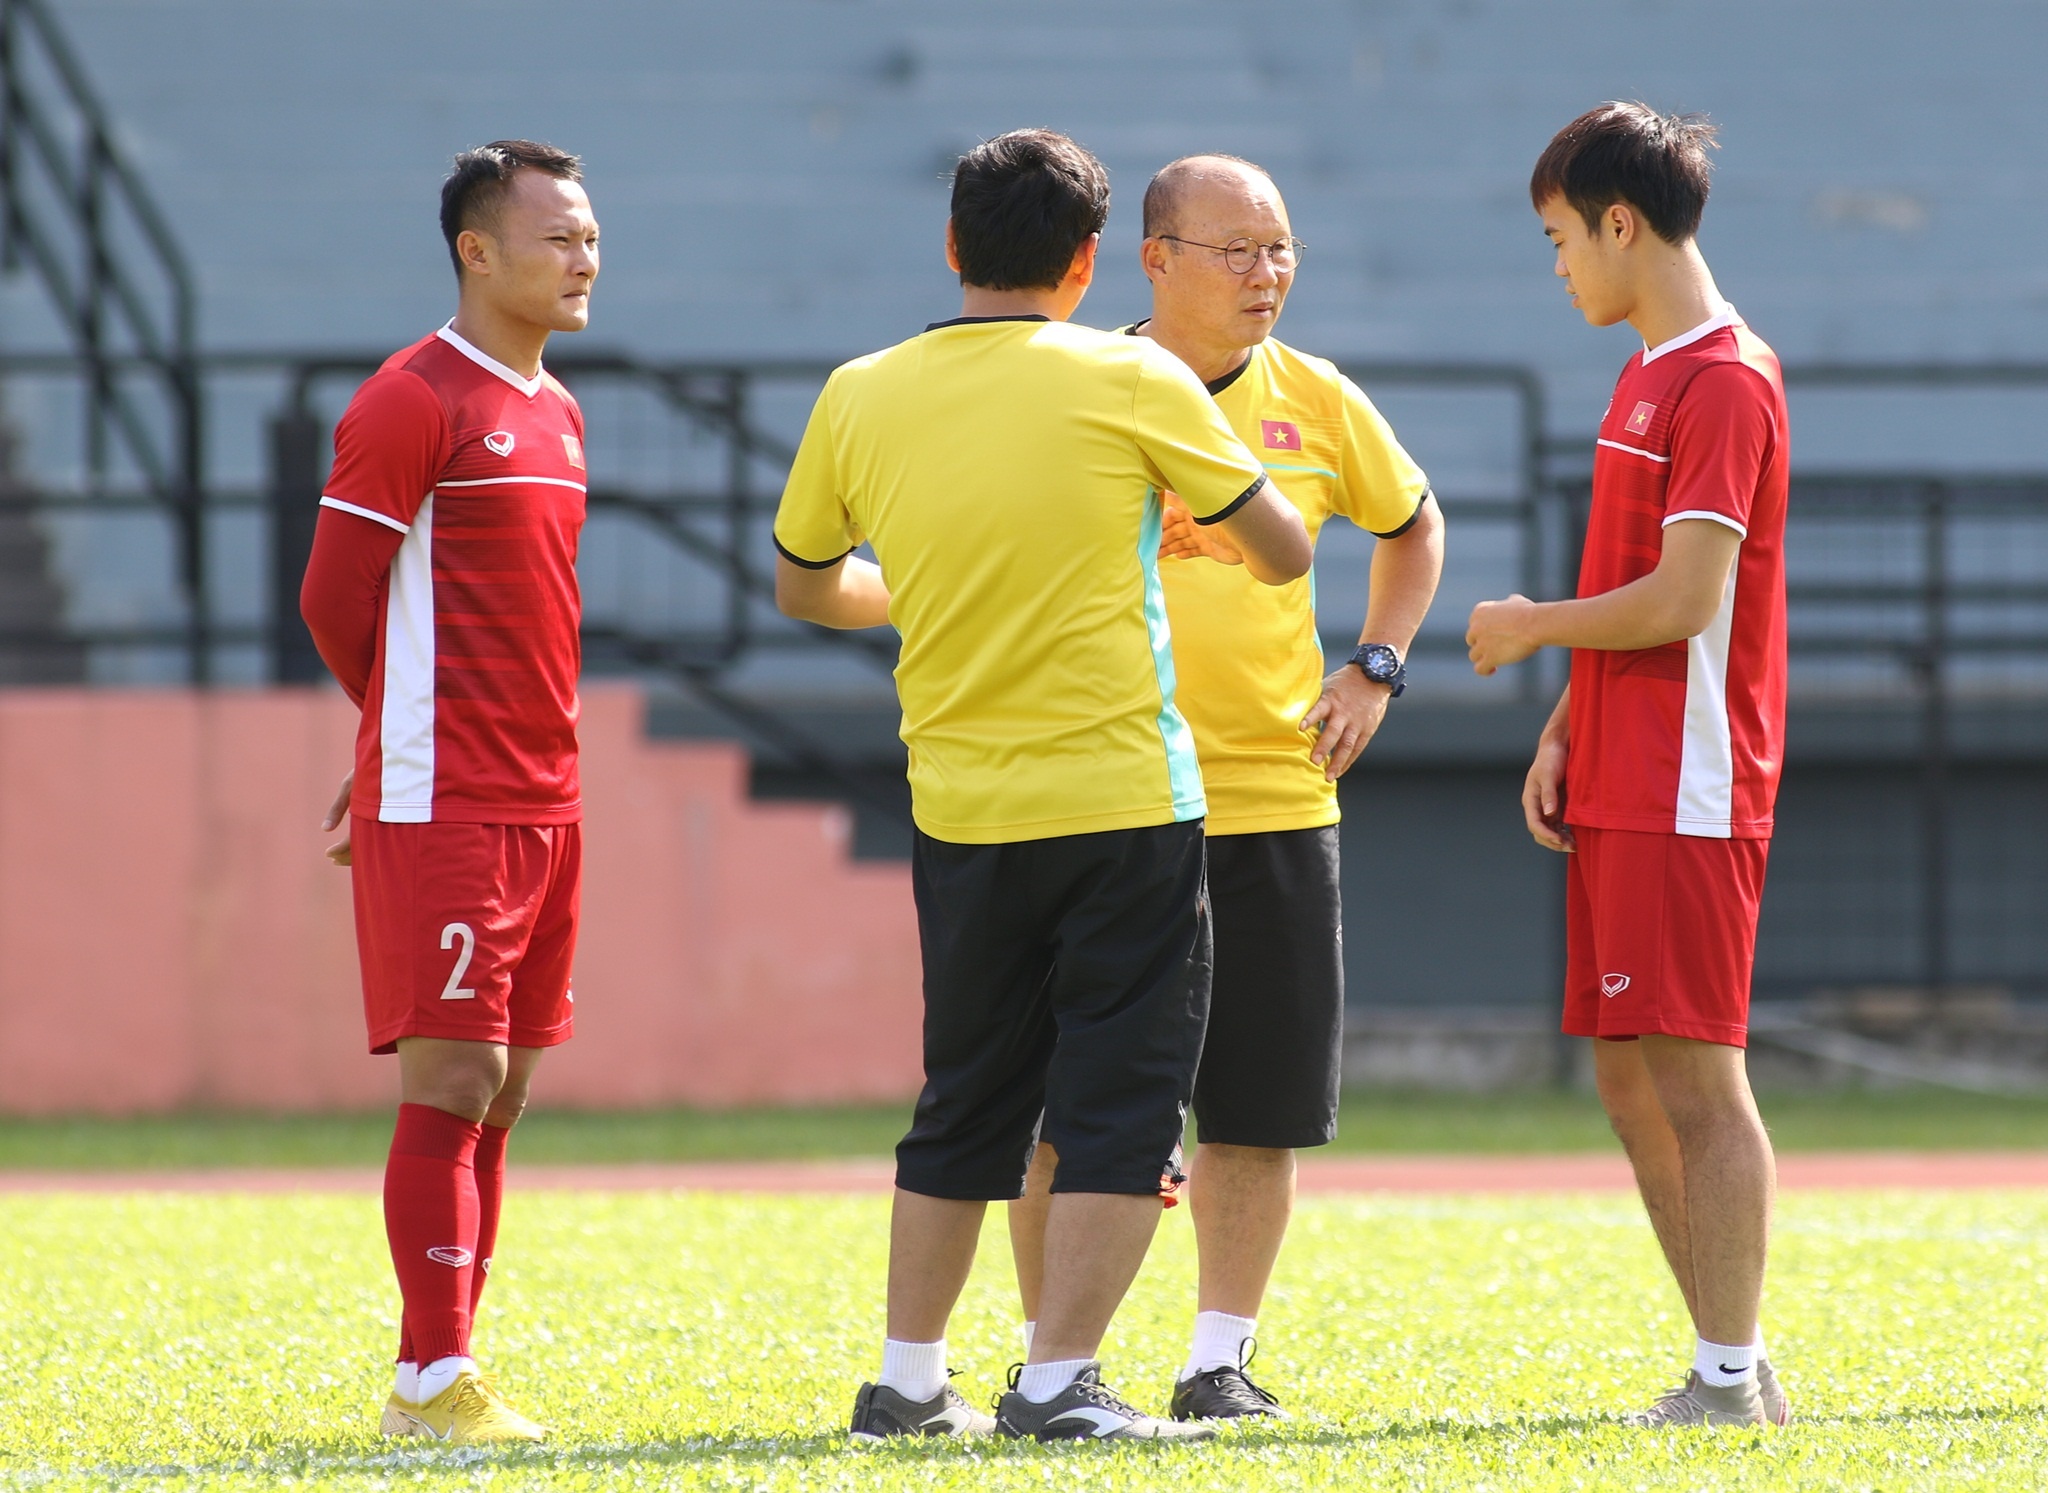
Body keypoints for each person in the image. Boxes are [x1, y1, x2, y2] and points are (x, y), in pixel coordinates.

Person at [773, 128, 1312, 1444]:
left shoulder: (858, 391)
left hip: (960, 807)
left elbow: (803, 584)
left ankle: (907, 1382)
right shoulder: (1132, 376)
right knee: (1121, 1105)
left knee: (964, 1099)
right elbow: (1285, 551)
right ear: (1088, 263)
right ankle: (1062, 1382)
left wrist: (923, 586)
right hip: (1125, 799)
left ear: (954, 247)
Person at [1006, 154, 1444, 1421]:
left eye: (1280, 250)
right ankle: (1054, 1360)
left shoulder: (1315, 395)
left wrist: (1373, 665)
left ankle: (1217, 1361)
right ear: (1153, 258)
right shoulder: (1074, 385)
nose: (1266, 276)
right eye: (1236, 250)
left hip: (1273, 795)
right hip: (1102, 795)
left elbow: (1410, 525)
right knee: (1064, 1104)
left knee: (1255, 1108)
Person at [1466, 102, 1790, 1428]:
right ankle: (1731, 1359)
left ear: (1619, 221)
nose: (1558, 268)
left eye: (1560, 238)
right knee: (1624, 1071)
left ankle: (1729, 1373)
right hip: (1619, 763)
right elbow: (1633, 582)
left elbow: (1684, 600)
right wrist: (1564, 723)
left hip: (1689, 781)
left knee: (1699, 1077)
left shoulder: (1721, 376)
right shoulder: (1645, 369)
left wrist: (1536, 626)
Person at [299, 139, 599, 1444]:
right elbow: (331, 598)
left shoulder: (559, 407)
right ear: (478, 252)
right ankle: (429, 1377)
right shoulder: (413, 398)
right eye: (557, 237)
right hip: (451, 797)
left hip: (551, 798)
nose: (584, 257)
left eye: (590, 235)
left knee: (511, 1083)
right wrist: (390, 749)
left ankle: (452, 1364)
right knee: (455, 1077)